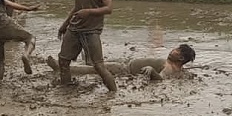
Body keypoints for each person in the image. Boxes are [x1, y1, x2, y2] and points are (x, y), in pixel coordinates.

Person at [56, 0, 117, 92]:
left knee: (98, 65)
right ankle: (66, 90)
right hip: (74, 29)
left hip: (91, 31)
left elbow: (108, 9)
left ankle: (114, 94)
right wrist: (64, 25)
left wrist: (88, 12)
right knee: (63, 61)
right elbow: (77, 7)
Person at [46, 44, 196, 80]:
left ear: (181, 58)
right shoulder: (177, 70)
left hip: (125, 70)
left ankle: (62, 68)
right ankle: (70, 67)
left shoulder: (169, 67)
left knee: (96, 69)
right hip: (126, 67)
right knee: (96, 66)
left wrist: (152, 71)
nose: (173, 49)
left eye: (177, 50)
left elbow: (161, 78)